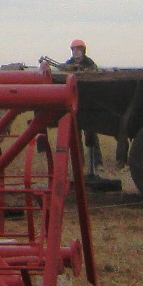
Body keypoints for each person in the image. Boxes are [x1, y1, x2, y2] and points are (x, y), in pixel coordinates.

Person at [55, 39, 106, 180]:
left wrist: (80, 71)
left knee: (91, 136)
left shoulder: (90, 64)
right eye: (73, 49)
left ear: (83, 50)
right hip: (74, 105)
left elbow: (94, 74)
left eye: (78, 49)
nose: (75, 52)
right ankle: (80, 165)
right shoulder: (67, 65)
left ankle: (97, 164)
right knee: (76, 137)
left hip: (88, 104)